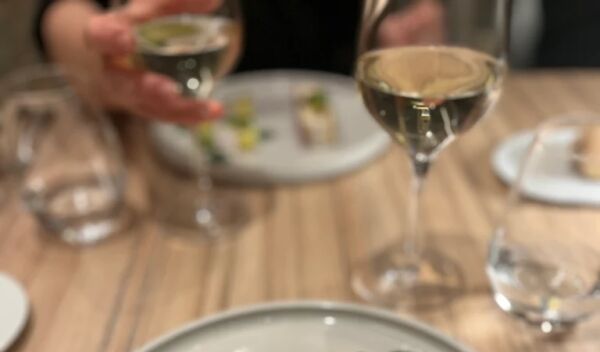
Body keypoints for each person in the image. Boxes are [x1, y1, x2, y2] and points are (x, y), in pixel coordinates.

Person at [36, 0, 600, 125]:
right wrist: (99, 56)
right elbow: (59, 13)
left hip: (353, 130)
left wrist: (413, 24)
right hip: (156, 151)